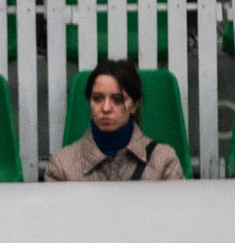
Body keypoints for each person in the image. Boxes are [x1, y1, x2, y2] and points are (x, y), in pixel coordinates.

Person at [45, 60, 184, 182]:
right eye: (97, 98)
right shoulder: (62, 165)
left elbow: (176, 211)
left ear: (134, 106)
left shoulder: (163, 161)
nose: (106, 108)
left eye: (118, 100)